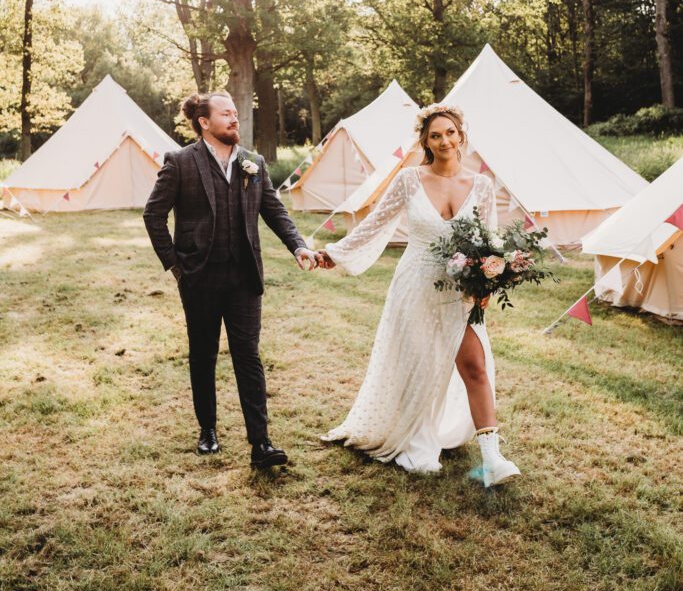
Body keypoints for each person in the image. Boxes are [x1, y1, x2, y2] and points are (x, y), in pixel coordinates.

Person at [319, 103, 521, 485]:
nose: (444, 140)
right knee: (421, 365)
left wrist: (491, 279)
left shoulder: (481, 185)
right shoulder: (410, 180)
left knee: (475, 366)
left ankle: (493, 460)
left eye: (450, 132)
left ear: (461, 135)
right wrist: (334, 254)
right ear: (425, 142)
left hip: (462, 290)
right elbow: (375, 223)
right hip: (415, 284)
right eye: (435, 135)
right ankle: (417, 441)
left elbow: (491, 238)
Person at [143, 91, 325, 469]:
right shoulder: (180, 163)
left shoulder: (252, 163)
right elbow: (153, 215)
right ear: (204, 123)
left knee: (248, 357)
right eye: (226, 114)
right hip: (199, 278)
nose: (234, 119)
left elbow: (275, 212)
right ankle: (207, 429)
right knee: (203, 355)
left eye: (235, 114)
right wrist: (175, 266)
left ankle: (260, 443)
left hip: (244, 279)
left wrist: (299, 247)